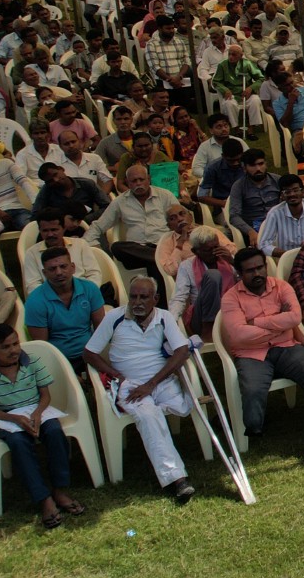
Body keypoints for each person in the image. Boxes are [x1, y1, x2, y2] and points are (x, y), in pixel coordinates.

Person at [218, 247, 304, 467]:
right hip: (251, 354)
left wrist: (256, 323)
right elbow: (238, 334)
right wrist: (278, 324)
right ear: (239, 273)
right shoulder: (230, 298)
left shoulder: (282, 287)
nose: (257, 273)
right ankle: (254, 427)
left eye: (260, 267)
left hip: (287, 347)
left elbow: (295, 317)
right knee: (252, 392)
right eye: (250, 270)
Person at [82, 278, 198, 502]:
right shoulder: (114, 317)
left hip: (159, 381)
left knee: (183, 406)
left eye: (144, 297)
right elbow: (89, 353)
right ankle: (177, 479)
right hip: (130, 385)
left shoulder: (164, 317)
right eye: (133, 296)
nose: (137, 302)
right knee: (148, 416)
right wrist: (117, 376)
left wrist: (151, 384)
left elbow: (182, 351)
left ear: (155, 299)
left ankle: (154, 420)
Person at [0, 324, 86, 527]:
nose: (13, 350)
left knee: (54, 432)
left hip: (37, 411)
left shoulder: (32, 361)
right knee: (18, 442)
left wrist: (37, 414)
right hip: (7, 418)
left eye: (16, 344)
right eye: (5, 347)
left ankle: (60, 490)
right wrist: (16, 419)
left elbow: (45, 396)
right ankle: (43, 498)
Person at [85, 165, 177, 290]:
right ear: (127, 183)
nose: (138, 183)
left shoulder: (165, 196)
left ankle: (157, 261)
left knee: (153, 265)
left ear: (148, 179)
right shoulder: (120, 202)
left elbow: (181, 218)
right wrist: (89, 244)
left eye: (141, 179)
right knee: (116, 247)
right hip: (135, 252)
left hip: (162, 245)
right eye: (134, 181)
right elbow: (98, 226)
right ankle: (159, 258)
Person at [23, 245, 109, 376]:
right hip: (58, 359)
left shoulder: (90, 289)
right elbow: (43, 347)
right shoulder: (35, 301)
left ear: (73, 267)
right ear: (44, 273)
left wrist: (96, 358)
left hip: (91, 353)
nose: (59, 272)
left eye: (63, 266)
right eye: (52, 269)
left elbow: (101, 329)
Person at [257, 174, 304, 255]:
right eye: (287, 192)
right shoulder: (274, 214)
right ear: (282, 196)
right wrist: (287, 255)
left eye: (296, 190)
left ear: (303, 192)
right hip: (289, 260)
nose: (292, 194)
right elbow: (263, 245)